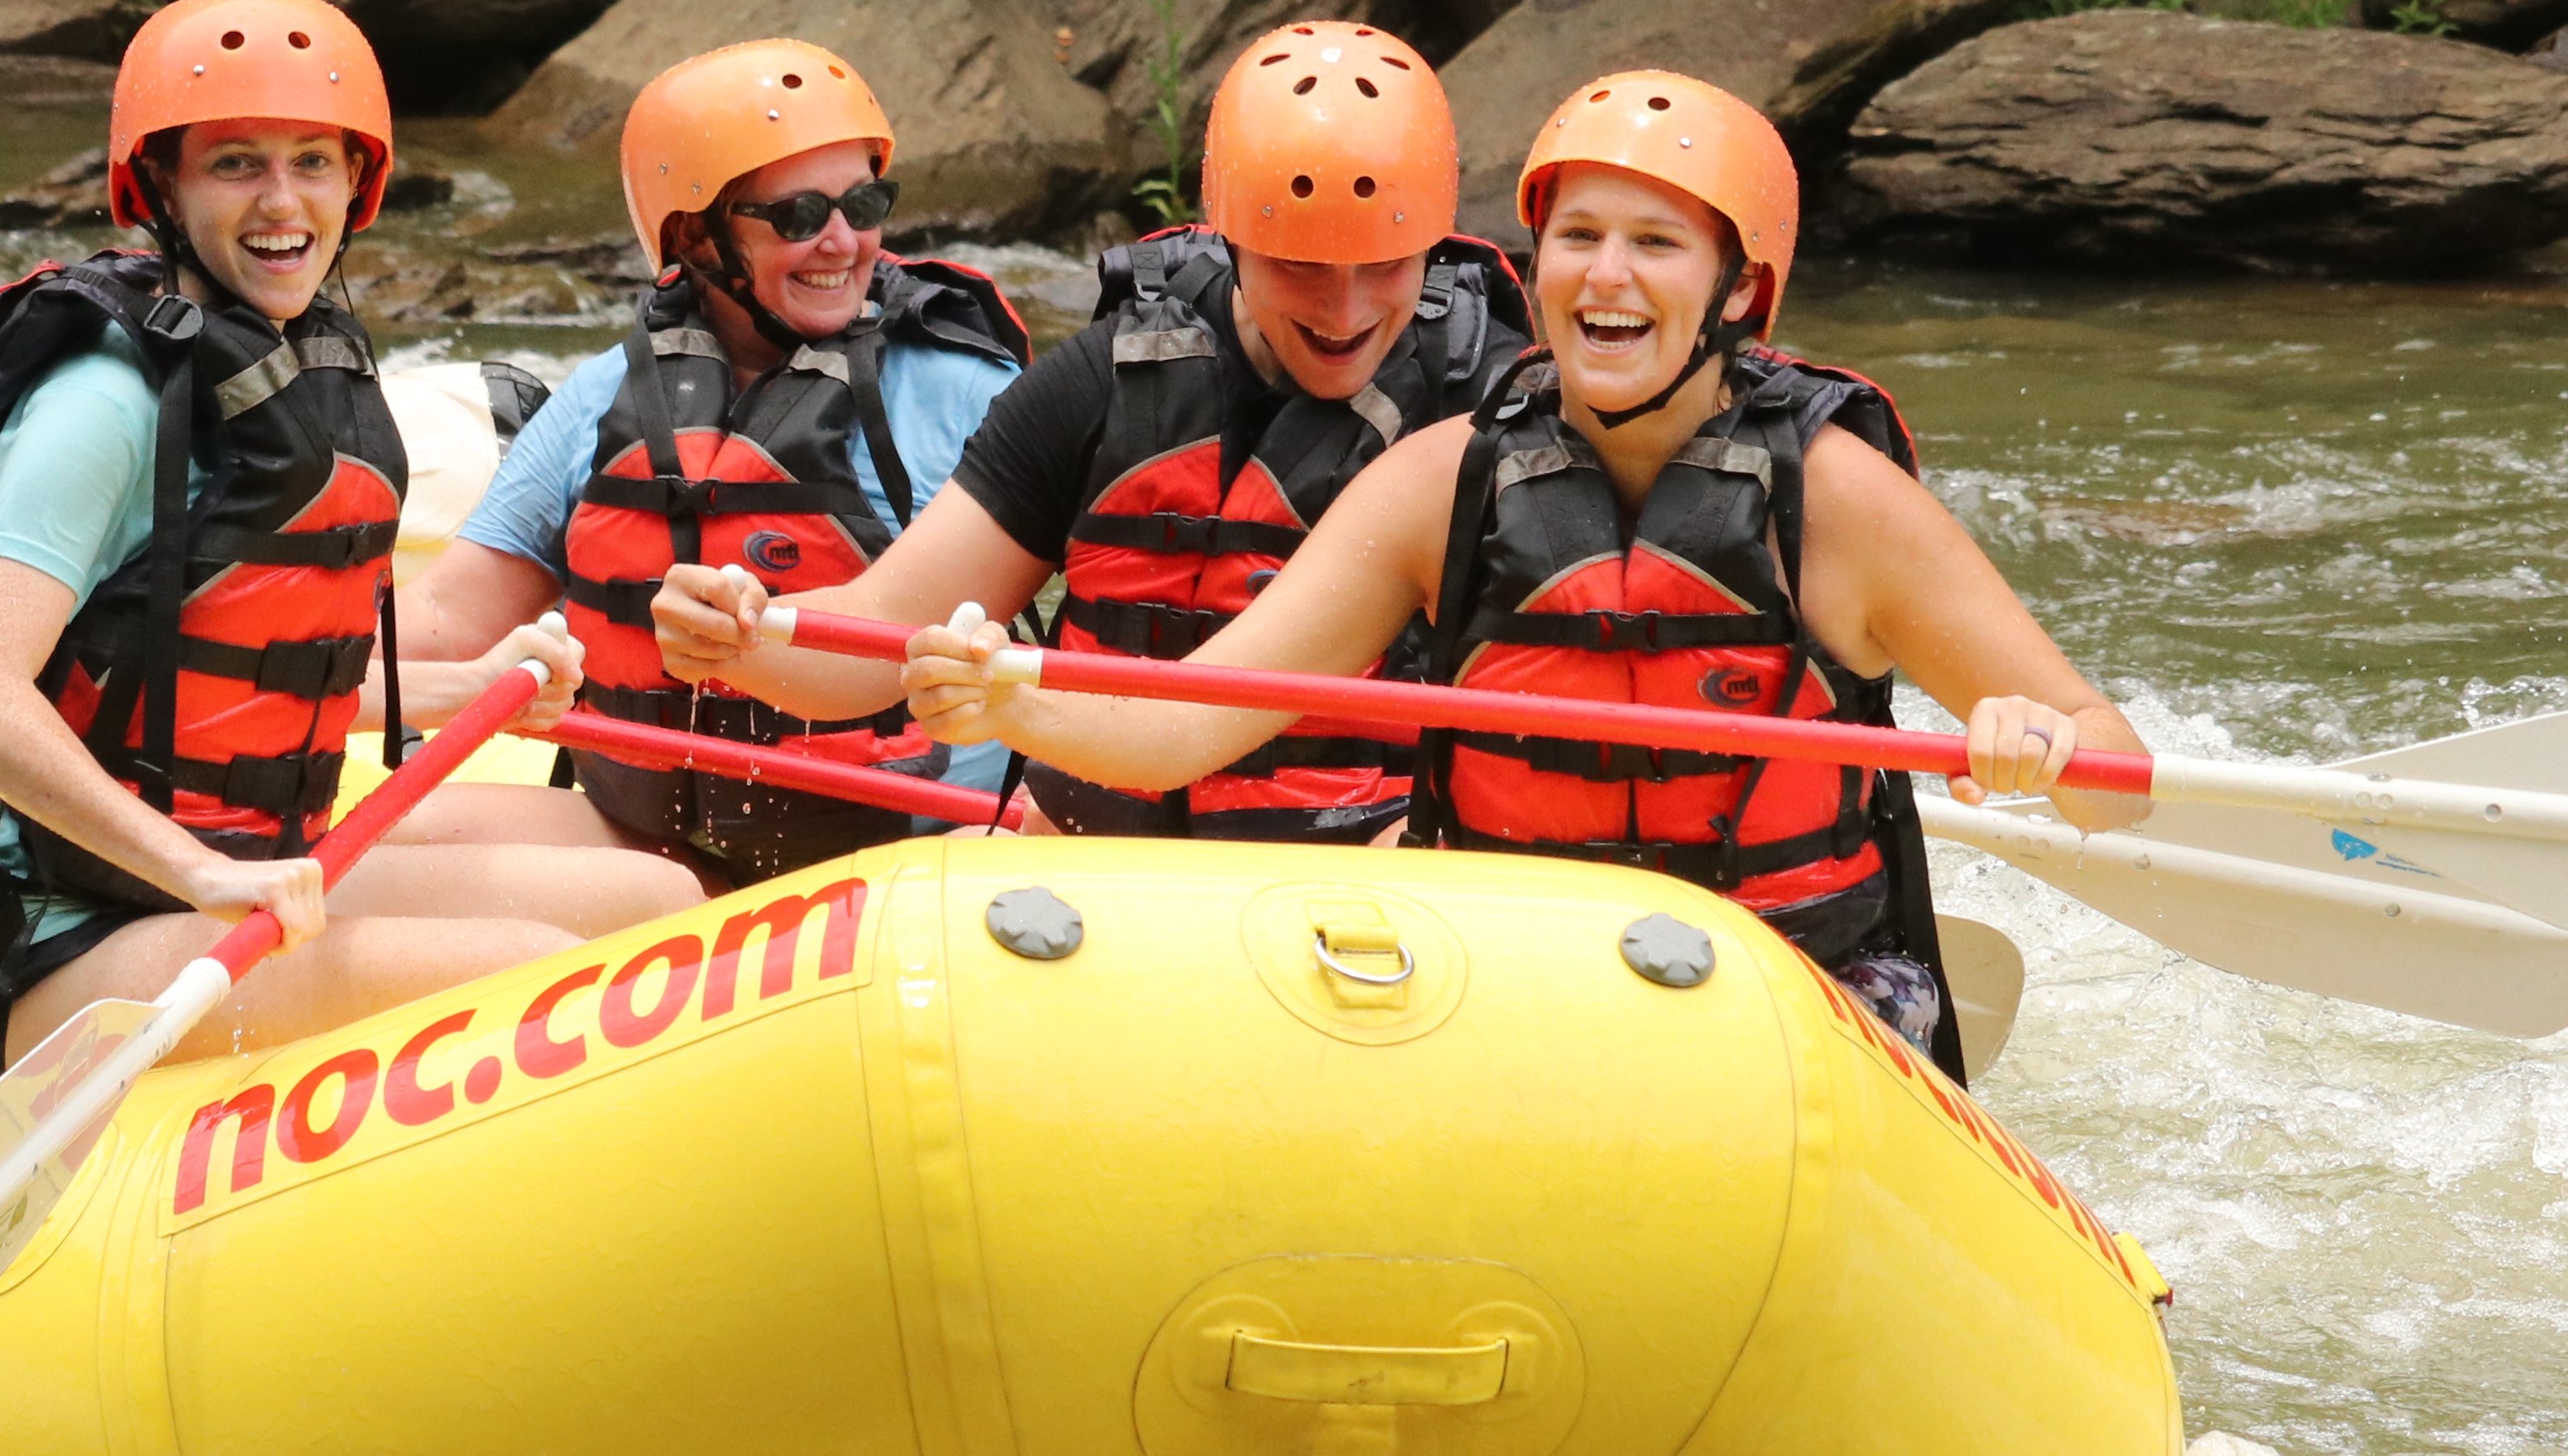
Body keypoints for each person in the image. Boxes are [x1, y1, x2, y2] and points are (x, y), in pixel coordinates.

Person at [897, 70, 2140, 1072]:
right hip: (1510, 991)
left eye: (1655, 242)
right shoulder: (1448, 479)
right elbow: (1189, 729)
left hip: (1787, 994)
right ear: (1532, 267)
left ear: (1739, 289)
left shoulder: (1845, 503)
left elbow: (2115, 777)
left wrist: (2046, 740)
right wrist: (1015, 699)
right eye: (1579, 238)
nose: (1607, 274)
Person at [0, 0, 701, 1087]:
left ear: (358, 182)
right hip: (63, 936)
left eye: (314, 161)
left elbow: (235, 681)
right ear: (159, 184)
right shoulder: (104, 400)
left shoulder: (300, 370)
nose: (284, 202)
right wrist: (198, 871)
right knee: (535, 972)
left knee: (661, 904)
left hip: (247, 870)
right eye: (237, 164)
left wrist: (467, 682)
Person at [652, 21, 1526, 844]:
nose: (1345, 310)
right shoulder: (1108, 378)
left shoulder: (1490, 419)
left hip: (1350, 875)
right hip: (1087, 854)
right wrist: (740, 634)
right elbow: (883, 624)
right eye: (1300, 265)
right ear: (1230, 237)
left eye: (1383, 266)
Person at [406, 41, 1028, 884]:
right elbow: (451, 614)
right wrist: (256, 657)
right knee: (395, 835)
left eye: (866, 201)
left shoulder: (963, 390)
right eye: (801, 215)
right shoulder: (603, 396)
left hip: (915, 859)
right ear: (697, 234)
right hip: (650, 836)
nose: (843, 242)